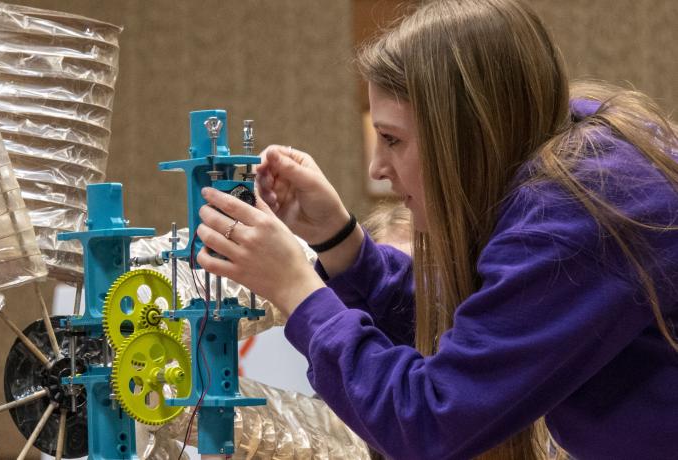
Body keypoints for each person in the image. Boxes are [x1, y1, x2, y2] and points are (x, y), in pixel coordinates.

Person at [193, 0, 678, 458]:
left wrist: (298, 289)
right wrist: (343, 243)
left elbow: (429, 421)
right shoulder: (583, 162)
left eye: (392, 139)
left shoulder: (581, 207)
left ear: (464, 132)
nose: (378, 168)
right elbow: (480, 328)